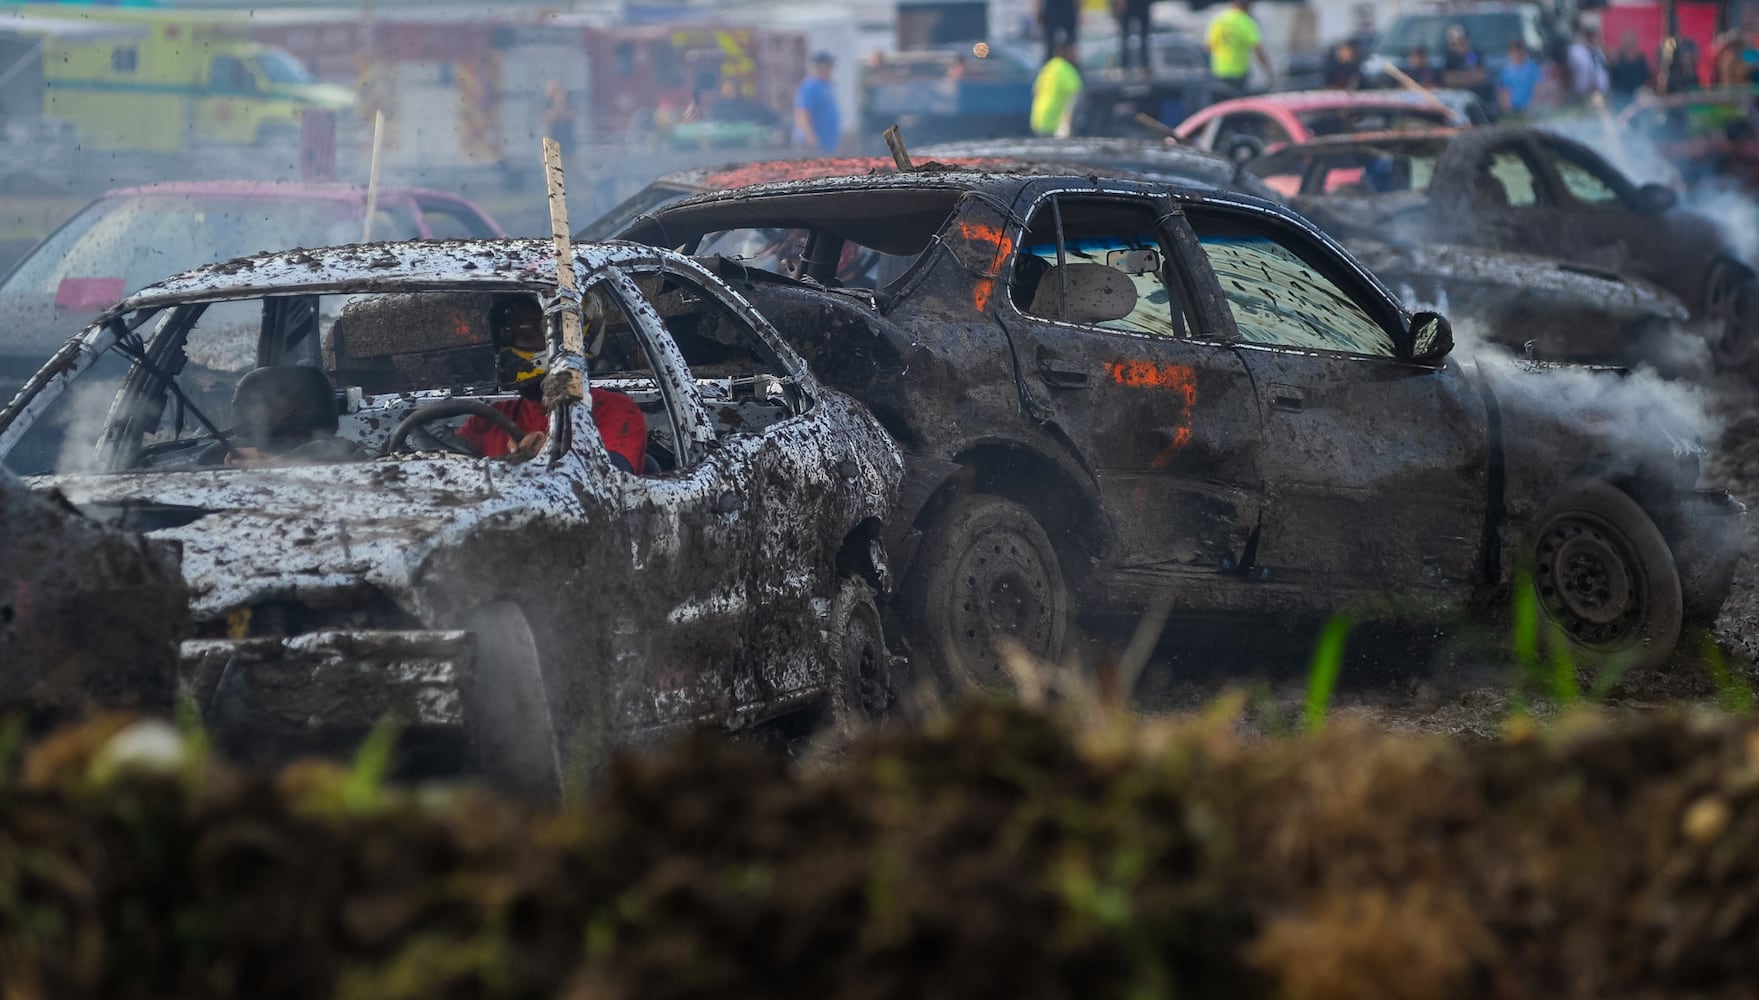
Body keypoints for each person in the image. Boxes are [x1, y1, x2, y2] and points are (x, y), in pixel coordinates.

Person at [459, 296, 647, 472]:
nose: (514, 345)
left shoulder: (614, 411)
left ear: (574, 337)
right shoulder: (488, 419)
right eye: (508, 334)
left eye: (529, 332)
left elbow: (607, 483)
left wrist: (549, 459)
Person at [1205, 0, 1273, 89]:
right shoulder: (1246, 21)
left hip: (1218, 72)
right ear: (1248, 4)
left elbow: (1209, 47)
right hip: (1238, 74)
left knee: (1223, 101)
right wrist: (1268, 72)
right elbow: (1258, 49)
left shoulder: (1219, 19)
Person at [1031, 39, 1083, 137]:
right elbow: (1077, 96)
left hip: (1039, 119)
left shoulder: (1048, 67)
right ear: (1065, 52)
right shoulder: (1066, 69)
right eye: (1073, 51)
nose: (1076, 54)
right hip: (1054, 123)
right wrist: (1067, 123)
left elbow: (1035, 92)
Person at [792, 52, 841, 154]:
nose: (831, 69)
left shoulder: (827, 85)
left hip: (827, 143)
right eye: (828, 66)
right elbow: (802, 113)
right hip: (813, 144)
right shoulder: (810, 86)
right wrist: (811, 138)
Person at [1608, 31, 1654, 109]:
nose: (1629, 45)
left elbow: (1648, 79)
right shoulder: (1617, 60)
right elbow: (1611, 81)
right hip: (1620, 99)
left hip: (1637, 100)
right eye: (1627, 42)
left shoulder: (1641, 59)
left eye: (1631, 42)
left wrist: (1643, 91)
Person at [1498, 39, 1543, 116]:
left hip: (1532, 108)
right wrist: (1508, 109)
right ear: (1510, 53)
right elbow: (1504, 92)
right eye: (1514, 52)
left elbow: (1539, 87)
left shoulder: (1533, 67)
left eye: (1520, 52)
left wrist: (1533, 104)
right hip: (1516, 109)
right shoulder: (1506, 72)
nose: (1517, 55)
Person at [1567, 24, 1610, 102]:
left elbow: (1602, 70)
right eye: (1596, 37)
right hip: (1583, 93)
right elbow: (1570, 71)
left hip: (1601, 92)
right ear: (1588, 37)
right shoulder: (1575, 51)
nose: (1599, 39)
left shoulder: (1598, 52)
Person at [1441, 25, 1486, 92]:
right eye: (1453, 44)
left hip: (1477, 93)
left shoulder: (1473, 55)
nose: (1457, 47)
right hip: (1456, 94)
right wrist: (1466, 77)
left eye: (1460, 43)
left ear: (1466, 41)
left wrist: (1457, 77)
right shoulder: (1450, 58)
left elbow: (1480, 76)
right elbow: (1447, 79)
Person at [1114, 0, 1154, 73]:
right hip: (1129, 3)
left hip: (1142, 4)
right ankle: (1124, 67)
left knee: (1144, 38)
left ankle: (1145, 66)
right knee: (1125, 38)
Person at [1037, 0, 1079, 65]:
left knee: (1070, 46)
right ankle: (1049, 68)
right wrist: (1038, 10)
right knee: (1049, 46)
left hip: (1068, 7)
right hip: (1052, 8)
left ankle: (1072, 68)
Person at [542, 80, 574, 159]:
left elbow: (571, 116)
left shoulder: (570, 105)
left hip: (569, 147)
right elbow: (549, 118)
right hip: (552, 146)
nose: (559, 95)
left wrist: (561, 103)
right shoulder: (546, 107)